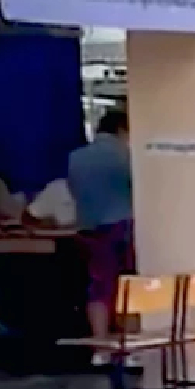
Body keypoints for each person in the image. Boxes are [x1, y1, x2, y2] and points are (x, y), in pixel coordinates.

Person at [68, 109, 135, 364]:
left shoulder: (75, 158)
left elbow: (75, 192)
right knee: (128, 287)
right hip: (122, 226)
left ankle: (101, 347)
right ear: (122, 130)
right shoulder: (126, 155)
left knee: (98, 288)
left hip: (89, 230)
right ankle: (129, 348)